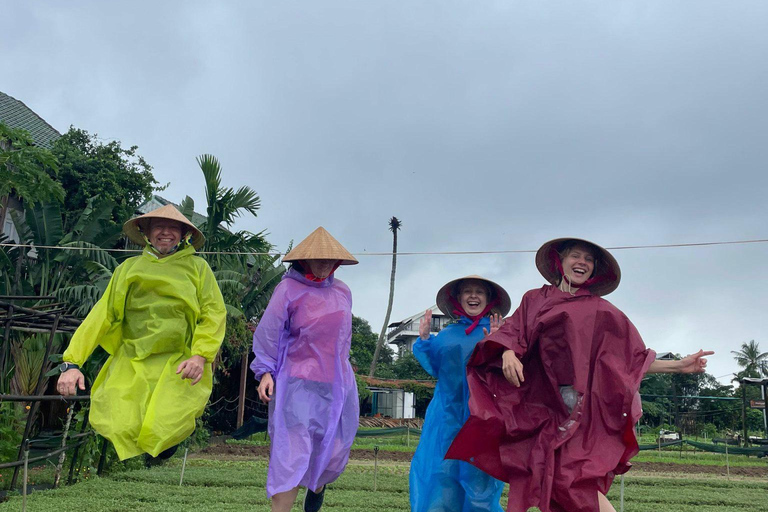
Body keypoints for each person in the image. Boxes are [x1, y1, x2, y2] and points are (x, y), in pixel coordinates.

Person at [446, 238, 712, 512]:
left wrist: (680, 366)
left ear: (594, 270)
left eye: (588, 259)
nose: (581, 262)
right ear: (560, 261)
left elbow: (630, 360)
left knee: (569, 478)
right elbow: (512, 332)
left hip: (582, 408)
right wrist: (506, 352)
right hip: (539, 406)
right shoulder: (535, 300)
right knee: (545, 476)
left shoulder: (602, 312)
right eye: (576, 255)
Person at [56, 204, 227, 461]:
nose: (166, 233)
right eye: (159, 227)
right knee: (119, 422)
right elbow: (102, 315)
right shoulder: (127, 269)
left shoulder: (198, 269)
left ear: (184, 234)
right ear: (146, 232)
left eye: (173, 228)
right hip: (133, 359)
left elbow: (213, 313)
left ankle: (164, 447)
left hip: (179, 362)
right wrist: (71, 362)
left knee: (168, 423)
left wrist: (200, 355)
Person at [251, 226, 359, 512]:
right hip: (297, 385)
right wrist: (265, 372)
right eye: (317, 258)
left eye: (329, 259)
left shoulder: (343, 292)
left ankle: (318, 488)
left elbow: (343, 341)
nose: (324, 264)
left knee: (332, 452)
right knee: (291, 455)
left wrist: (345, 380)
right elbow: (269, 333)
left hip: (336, 385)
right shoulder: (287, 289)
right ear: (304, 259)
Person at [410, 276, 511, 512]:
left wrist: (498, 345)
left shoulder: (501, 333)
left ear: (488, 299)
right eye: (467, 291)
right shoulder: (445, 336)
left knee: (480, 482)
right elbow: (434, 366)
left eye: (479, 292)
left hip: (482, 419)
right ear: (458, 298)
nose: (473, 296)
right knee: (441, 476)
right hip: (445, 418)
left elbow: (508, 375)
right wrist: (424, 339)